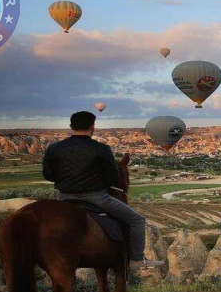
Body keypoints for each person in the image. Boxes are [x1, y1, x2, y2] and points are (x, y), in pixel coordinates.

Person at [42, 111, 164, 269]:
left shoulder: (54, 148)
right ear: (93, 127)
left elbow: (48, 175)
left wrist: (66, 180)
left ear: (71, 126)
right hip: (95, 197)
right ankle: (137, 259)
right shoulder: (101, 149)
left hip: (63, 197)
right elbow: (112, 179)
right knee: (137, 220)